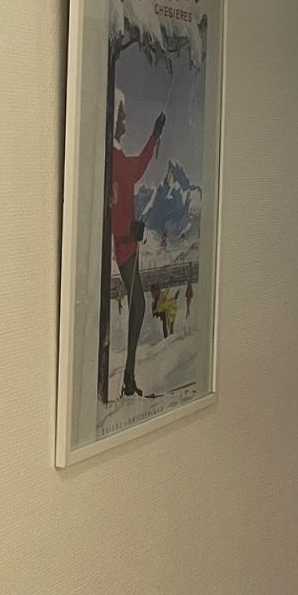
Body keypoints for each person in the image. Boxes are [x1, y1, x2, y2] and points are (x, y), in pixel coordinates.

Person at [106, 89, 163, 399]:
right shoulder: (116, 161)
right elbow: (138, 168)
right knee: (138, 304)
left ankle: (129, 377)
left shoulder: (113, 159)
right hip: (126, 245)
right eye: (122, 116)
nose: (125, 122)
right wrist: (154, 135)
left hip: (128, 244)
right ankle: (128, 376)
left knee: (138, 304)